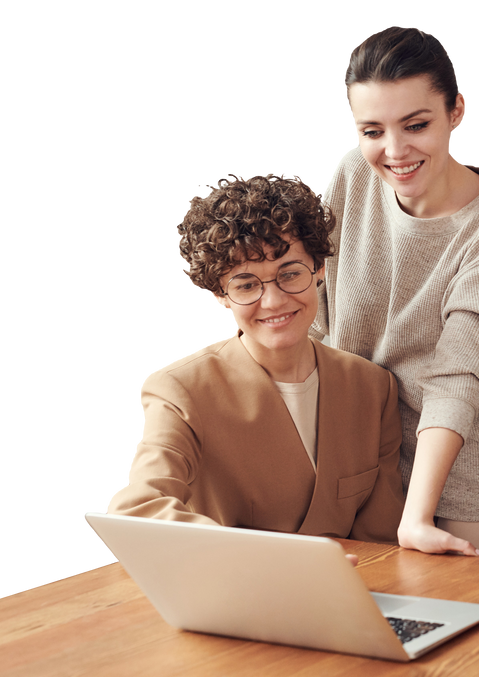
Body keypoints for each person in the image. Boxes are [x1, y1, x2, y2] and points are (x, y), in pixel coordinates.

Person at [311, 24, 479, 563]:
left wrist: (416, 513)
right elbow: (316, 312)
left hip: (477, 476)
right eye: (372, 131)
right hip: (370, 463)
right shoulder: (352, 177)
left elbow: (461, 370)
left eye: (416, 125)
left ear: (456, 111)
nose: (394, 151)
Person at [107, 173, 404, 543]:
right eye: (247, 284)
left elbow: (382, 538)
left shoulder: (374, 388)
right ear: (220, 292)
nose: (274, 301)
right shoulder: (179, 389)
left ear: (319, 268)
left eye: (290, 274)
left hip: (357, 593)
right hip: (233, 595)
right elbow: (139, 509)